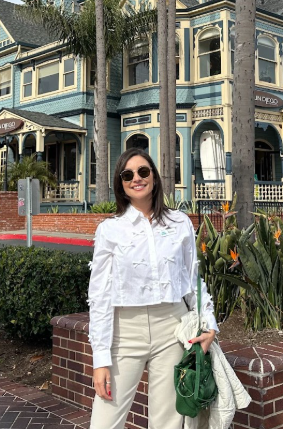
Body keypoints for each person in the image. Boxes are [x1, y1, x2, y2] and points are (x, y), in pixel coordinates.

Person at [88, 147, 219, 429]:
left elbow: (193, 280)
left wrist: (209, 325)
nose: (137, 178)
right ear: (121, 185)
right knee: (104, 421)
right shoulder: (110, 230)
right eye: (128, 174)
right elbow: (99, 297)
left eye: (143, 171)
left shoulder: (179, 223)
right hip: (125, 333)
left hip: (171, 329)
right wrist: (100, 359)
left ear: (155, 178)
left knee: (168, 423)